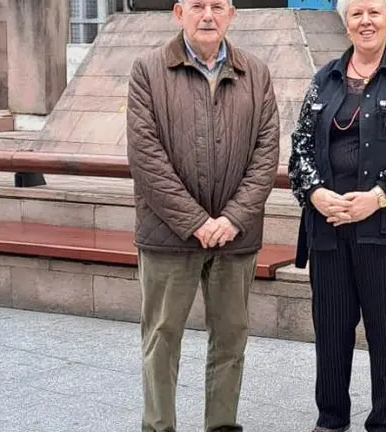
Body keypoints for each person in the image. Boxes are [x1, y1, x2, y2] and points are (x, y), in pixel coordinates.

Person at [126, 0, 280, 430]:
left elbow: (266, 154)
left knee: (231, 340)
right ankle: (159, 427)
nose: (207, 15)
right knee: (161, 338)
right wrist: (195, 221)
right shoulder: (148, 69)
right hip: (168, 236)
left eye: (217, 6)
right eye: (197, 5)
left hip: (236, 238)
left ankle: (222, 425)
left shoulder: (257, 72)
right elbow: (145, 155)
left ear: (232, 14)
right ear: (179, 13)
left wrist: (232, 218)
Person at [287, 0, 386, 430]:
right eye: (356, 13)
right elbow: (299, 147)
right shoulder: (324, 78)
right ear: (345, 22)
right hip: (329, 227)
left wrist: (379, 196)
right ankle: (331, 419)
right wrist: (315, 193)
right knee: (331, 329)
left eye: (374, 12)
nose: (366, 21)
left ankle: (384, 422)